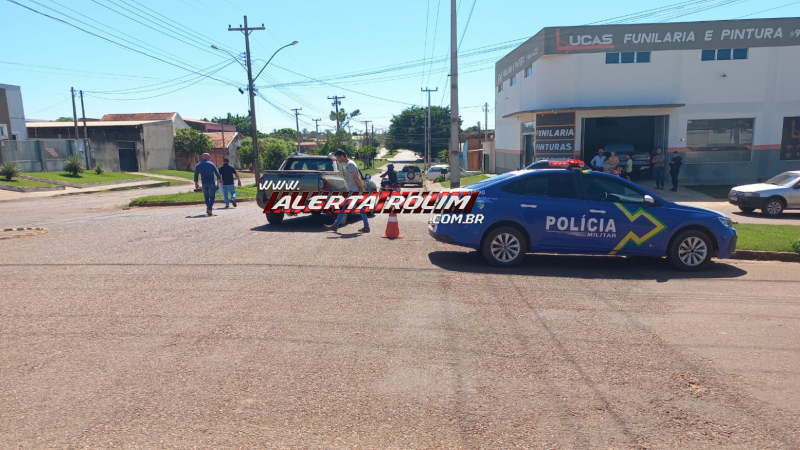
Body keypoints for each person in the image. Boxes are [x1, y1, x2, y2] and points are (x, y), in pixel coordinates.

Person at [324, 150, 370, 233]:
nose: (337, 160)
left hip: (354, 190)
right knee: (361, 209)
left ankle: (335, 225)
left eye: (338, 157)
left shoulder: (350, 164)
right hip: (353, 190)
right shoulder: (350, 164)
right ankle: (366, 226)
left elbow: (356, 177)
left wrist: (360, 187)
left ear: (342, 156)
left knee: (344, 208)